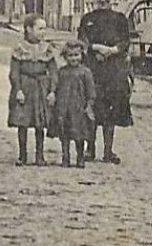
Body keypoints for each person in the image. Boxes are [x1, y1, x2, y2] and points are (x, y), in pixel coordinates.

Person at [79, 0, 134, 164]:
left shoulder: (120, 19)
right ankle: (90, 149)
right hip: (93, 68)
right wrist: (95, 48)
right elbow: (82, 41)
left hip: (113, 70)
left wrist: (112, 51)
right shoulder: (87, 19)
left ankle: (108, 151)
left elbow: (125, 41)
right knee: (92, 108)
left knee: (110, 111)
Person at [7, 13, 57, 166]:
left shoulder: (47, 49)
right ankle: (22, 155)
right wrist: (18, 90)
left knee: (40, 122)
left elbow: (54, 71)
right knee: (23, 121)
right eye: (40, 28)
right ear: (29, 29)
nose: (43, 32)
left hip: (41, 86)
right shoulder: (20, 48)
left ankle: (40, 155)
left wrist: (52, 91)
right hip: (25, 86)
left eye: (44, 28)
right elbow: (14, 72)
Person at [50, 40, 98, 167]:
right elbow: (56, 86)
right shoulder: (62, 72)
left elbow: (91, 90)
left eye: (76, 55)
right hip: (64, 108)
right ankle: (65, 156)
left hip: (79, 109)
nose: (73, 58)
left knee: (79, 135)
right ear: (65, 57)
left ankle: (80, 157)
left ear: (81, 55)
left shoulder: (85, 72)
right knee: (64, 134)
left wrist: (89, 104)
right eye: (70, 56)